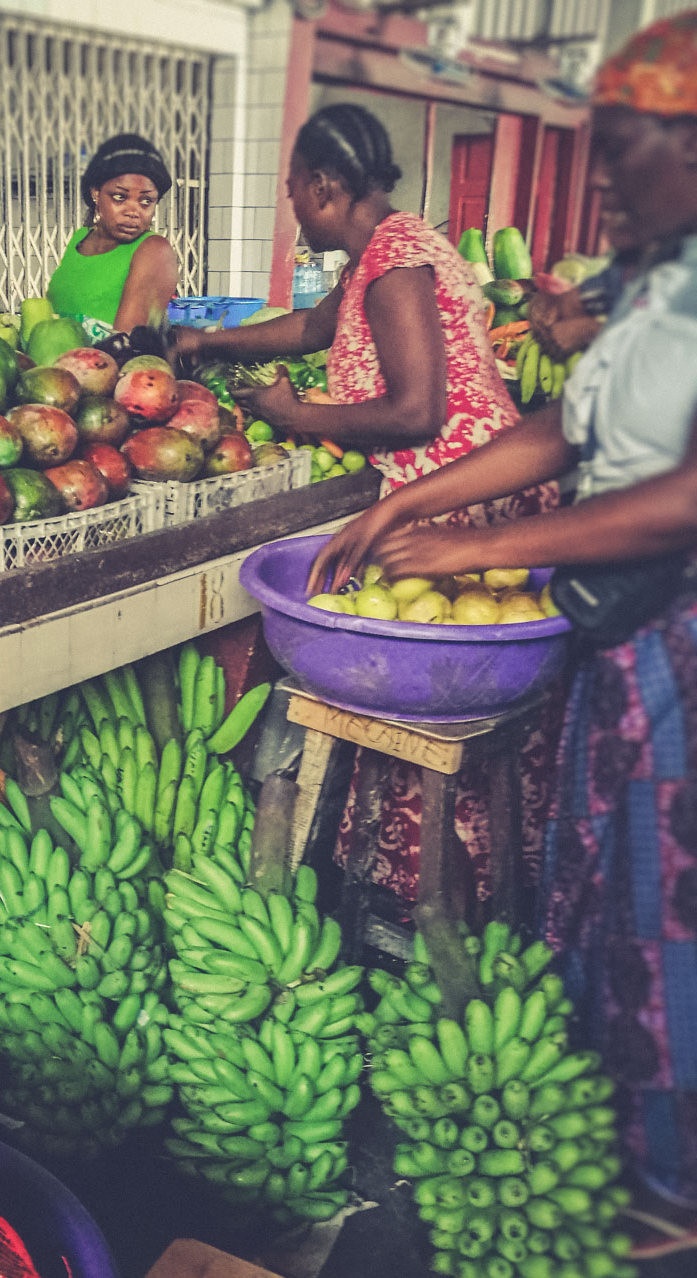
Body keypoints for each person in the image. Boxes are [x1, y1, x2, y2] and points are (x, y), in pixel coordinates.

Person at [311, 11, 697, 1241]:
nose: (596, 180)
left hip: (678, 629)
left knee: (670, 897)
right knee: (603, 874)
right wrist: (420, 498)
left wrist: (479, 546)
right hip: (612, 619)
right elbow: (564, 429)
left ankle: (676, 1180)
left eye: (620, 149)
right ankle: (622, 1128)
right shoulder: (652, 276)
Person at [178, 103, 559, 909]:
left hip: (463, 495)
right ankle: (437, 894)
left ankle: (445, 904)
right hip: (447, 490)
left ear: (323, 186)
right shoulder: (380, 254)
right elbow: (313, 329)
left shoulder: (394, 264)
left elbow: (418, 410)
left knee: (442, 702)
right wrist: (210, 342)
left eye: (292, 193)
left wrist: (296, 419)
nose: (291, 208)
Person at [46, 133, 178, 341]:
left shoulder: (154, 250)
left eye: (146, 201)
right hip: (54, 368)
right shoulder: (80, 239)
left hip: (107, 370)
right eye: (120, 197)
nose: (132, 211)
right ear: (96, 193)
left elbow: (125, 344)